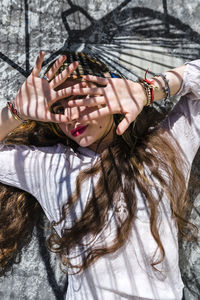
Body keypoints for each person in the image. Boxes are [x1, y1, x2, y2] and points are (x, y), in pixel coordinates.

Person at [0, 50, 199, 300]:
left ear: (110, 87)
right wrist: (15, 113)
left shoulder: (166, 146)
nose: (70, 116)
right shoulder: (52, 167)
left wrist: (146, 91)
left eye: (80, 97)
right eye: (59, 107)